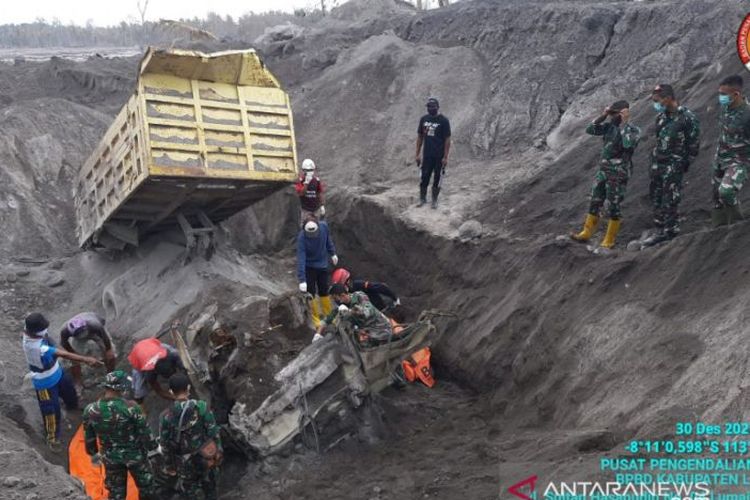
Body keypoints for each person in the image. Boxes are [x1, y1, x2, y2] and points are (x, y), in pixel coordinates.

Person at [22, 312, 102, 451]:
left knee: (70, 392)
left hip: (57, 372)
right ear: (34, 332)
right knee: (51, 411)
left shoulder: (33, 332)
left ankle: (72, 406)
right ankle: (52, 439)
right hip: (44, 383)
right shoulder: (36, 348)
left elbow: (55, 345)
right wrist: (86, 359)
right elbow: (62, 353)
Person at [571, 100, 641, 250]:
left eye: (616, 113)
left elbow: (629, 145)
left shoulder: (632, 130)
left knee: (613, 204)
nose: (613, 116)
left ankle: (609, 239)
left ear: (624, 113)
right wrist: (603, 115)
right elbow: (590, 129)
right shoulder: (609, 127)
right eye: (613, 113)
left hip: (618, 173)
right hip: (603, 171)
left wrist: (625, 122)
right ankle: (586, 232)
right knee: (595, 200)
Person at [82, 370, 158, 500]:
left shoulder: (91, 410)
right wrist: (154, 447)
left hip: (111, 458)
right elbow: (144, 432)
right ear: (122, 388)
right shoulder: (131, 407)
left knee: (116, 493)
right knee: (147, 489)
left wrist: (93, 453)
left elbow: (89, 438)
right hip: (136, 456)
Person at [644, 84, 700, 243]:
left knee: (670, 198)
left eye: (658, 101)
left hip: (674, 164)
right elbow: (659, 139)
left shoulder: (687, 117)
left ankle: (670, 231)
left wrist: (683, 164)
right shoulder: (660, 118)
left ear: (668, 99)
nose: (656, 105)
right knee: (656, 197)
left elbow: (693, 144)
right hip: (657, 164)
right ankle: (659, 231)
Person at [160, 373, 222, 500]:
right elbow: (213, 431)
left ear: (171, 392)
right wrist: (218, 451)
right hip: (206, 457)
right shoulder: (201, 406)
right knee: (211, 490)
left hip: (184, 463)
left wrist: (169, 466)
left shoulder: (165, 416)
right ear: (188, 388)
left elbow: (165, 444)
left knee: (191, 493)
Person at [712, 74, 750, 225]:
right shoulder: (725, 108)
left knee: (726, 191)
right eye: (719, 93)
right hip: (721, 158)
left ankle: (738, 227)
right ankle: (717, 230)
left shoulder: (748, 114)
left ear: (736, 94)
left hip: (740, 160)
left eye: (723, 94)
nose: (720, 97)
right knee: (716, 196)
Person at [314, 283, 394, 345]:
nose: (335, 301)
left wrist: (350, 311)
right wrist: (318, 334)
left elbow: (367, 310)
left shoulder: (359, 296)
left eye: (335, 298)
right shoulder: (341, 307)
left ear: (342, 295)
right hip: (368, 332)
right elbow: (327, 319)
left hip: (382, 328)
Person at [297, 216, 338, 328]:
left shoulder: (324, 227)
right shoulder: (302, 237)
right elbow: (301, 257)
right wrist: (302, 279)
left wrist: (332, 253)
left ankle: (329, 315)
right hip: (309, 267)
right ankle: (315, 318)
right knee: (311, 293)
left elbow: (328, 240)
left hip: (322, 265)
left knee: (324, 290)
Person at [60, 311, 117, 386]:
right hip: (77, 338)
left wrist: (108, 350)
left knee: (111, 355)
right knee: (73, 360)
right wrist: (79, 357)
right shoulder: (65, 331)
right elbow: (64, 344)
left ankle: (110, 375)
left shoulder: (95, 324)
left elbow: (105, 338)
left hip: (94, 332)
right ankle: (78, 383)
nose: (83, 335)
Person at [416, 97, 451, 209]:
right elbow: (420, 137)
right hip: (427, 155)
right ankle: (422, 198)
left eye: (433, 107)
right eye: (429, 107)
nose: (430, 109)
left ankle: (434, 200)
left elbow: (447, 139)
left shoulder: (444, 121)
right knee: (424, 176)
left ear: (437, 107)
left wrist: (445, 157)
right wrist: (417, 154)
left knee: (437, 177)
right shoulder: (423, 119)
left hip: (439, 156)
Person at [128, 338, 184, 403]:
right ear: (156, 372)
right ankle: (140, 405)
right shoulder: (149, 373)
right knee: (139, 391)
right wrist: (176, 398)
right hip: (137, 356)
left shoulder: (172, 355)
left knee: (179, 355)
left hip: (151, 345)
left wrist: (183, 372)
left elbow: (183, 366)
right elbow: (159, 391)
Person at [330, 268, 400, 312]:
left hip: (380, 311)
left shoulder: (359, 285)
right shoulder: (342, 299)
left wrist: (395, 298)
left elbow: (380, 287)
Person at [295, 158, 325, 222]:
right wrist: (306, 183)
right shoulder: (300, 181)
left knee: (317, 226)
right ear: (303, 171)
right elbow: (301, 193)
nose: (309, 172)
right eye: (307, 170)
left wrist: (322, 205)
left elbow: (319, 193)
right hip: (305, 209)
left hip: (316, 209)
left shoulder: (316, 180)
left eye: (311, 170)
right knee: (305, 225)